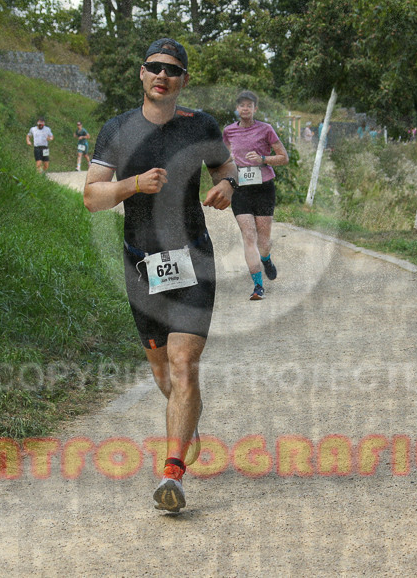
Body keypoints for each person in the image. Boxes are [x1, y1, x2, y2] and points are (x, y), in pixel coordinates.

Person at [83, 38, 237, 513]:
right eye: (154, 67)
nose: (161, 75)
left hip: (192, 259)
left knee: (183, 362)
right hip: (140, 262)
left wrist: (226, 187)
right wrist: (133, 184)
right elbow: (92, 196)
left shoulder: (200, 126)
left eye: (172, 69)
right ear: (142, 74)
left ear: (184, 80)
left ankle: (172, 473)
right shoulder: (118, 130)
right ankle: (186, 417)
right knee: (163, 370)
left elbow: (225, 169)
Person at [222, 90, 289, 300]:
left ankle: (266, 258)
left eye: (249, 106)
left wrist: (262, 159)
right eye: (241, 105)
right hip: (241, 189)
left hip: (263, 188)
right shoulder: (228, 132)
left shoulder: (266, 129)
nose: (245, 109)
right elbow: (222, 161)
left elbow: (283, 157)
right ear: (236, 108)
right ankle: (258, 287)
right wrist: (228, 160)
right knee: (248, 236)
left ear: (255, 109)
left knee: (263, 240)